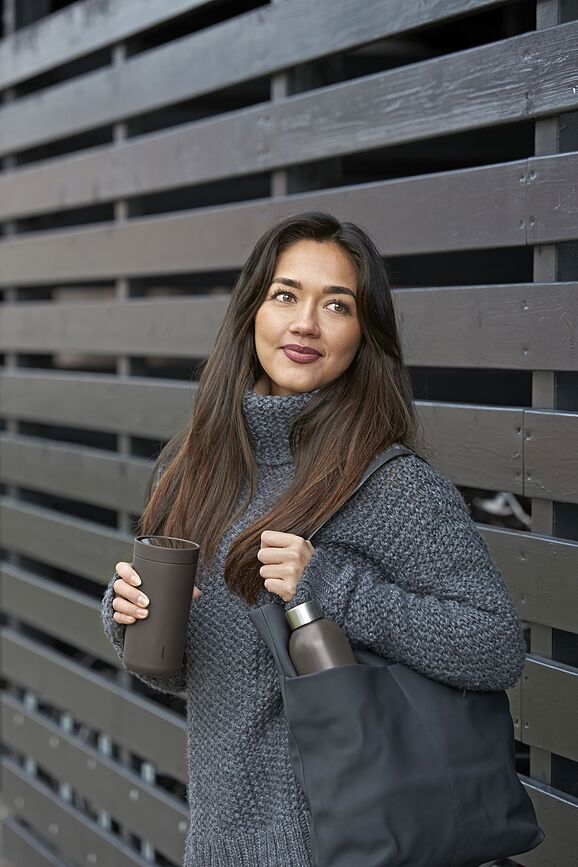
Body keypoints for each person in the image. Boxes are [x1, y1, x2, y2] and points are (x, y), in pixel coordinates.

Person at [100, 210, 527, 866]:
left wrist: (335, 588)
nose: (306, 323)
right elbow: (213, 680)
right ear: (250, 312)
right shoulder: (199, 473)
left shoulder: (392, 486)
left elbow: (496, 647)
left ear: (364, 335)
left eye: (337, 304)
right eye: (285, 295)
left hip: (342, 850)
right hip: (219, 848)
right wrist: (132, 620)